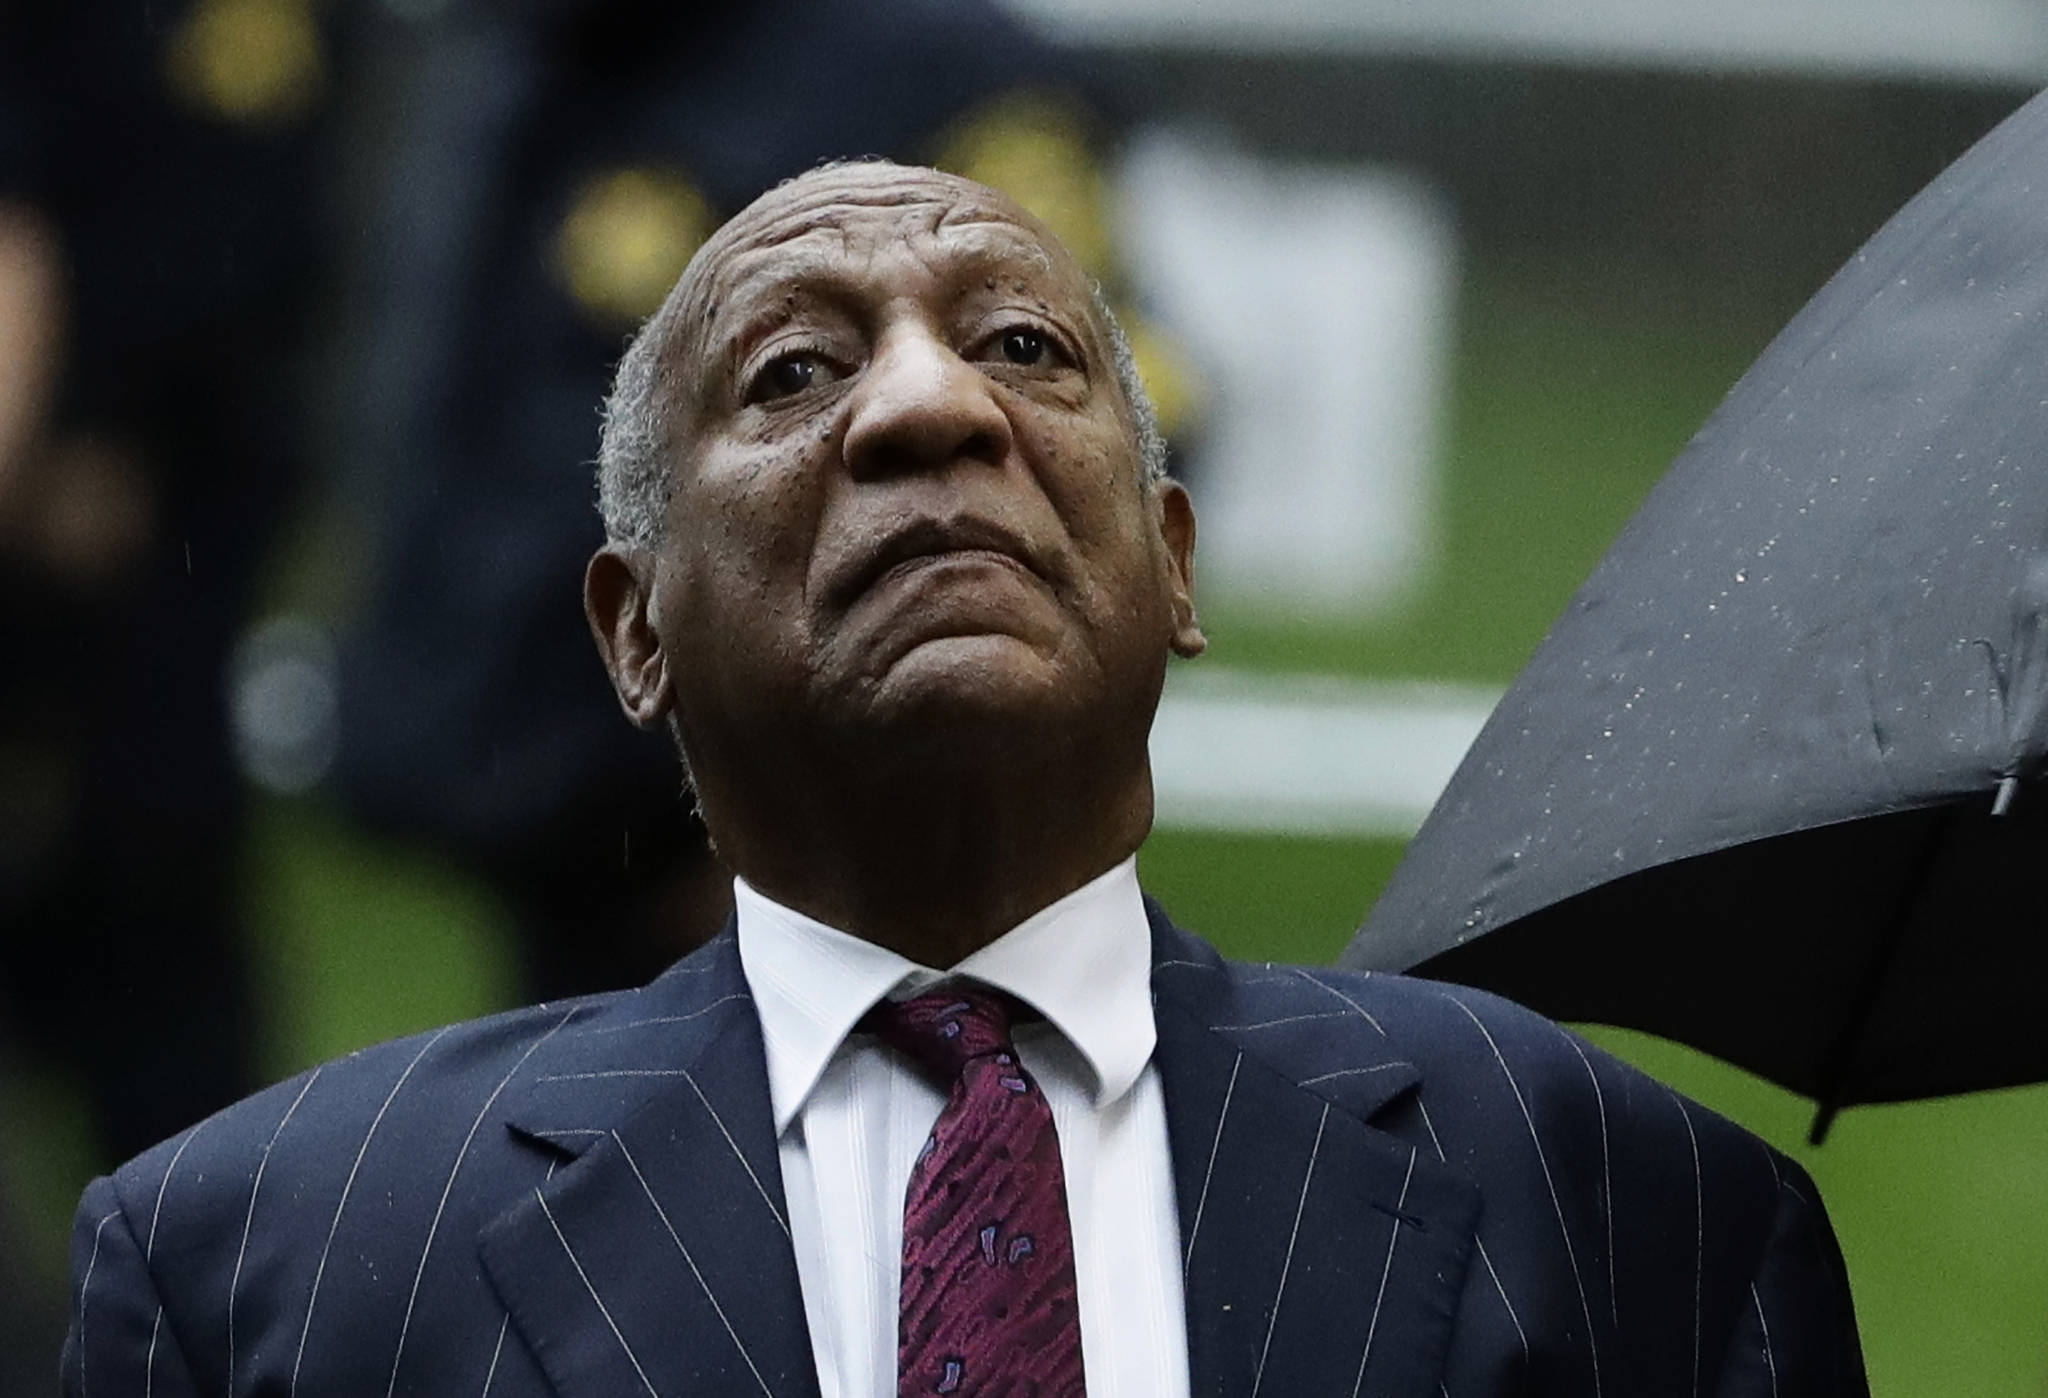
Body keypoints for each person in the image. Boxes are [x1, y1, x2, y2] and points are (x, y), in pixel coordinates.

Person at [62, 163, 1867, 1397]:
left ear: (1174, 565)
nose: (933, 409)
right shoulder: (272, 1269)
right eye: (794, 369)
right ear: (635, 633)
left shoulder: (1629, 1214)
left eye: (1023, 345)